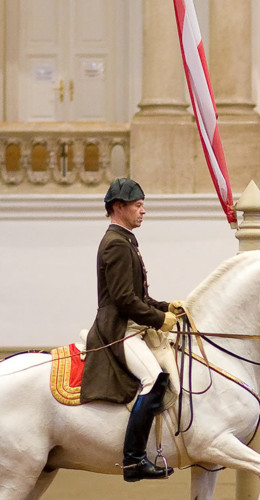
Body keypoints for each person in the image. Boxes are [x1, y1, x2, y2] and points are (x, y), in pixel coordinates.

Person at [81, 177, 184, 482]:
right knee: (154, 380)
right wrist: (158, 320)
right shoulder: (115, 243)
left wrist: (167, 307)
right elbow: (125, 301)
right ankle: (133, 459)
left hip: (131, 324)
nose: (144, 211)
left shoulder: (125, 241)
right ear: (119, 207)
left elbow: (140, 297)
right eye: (138, 205)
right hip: (118, 330)